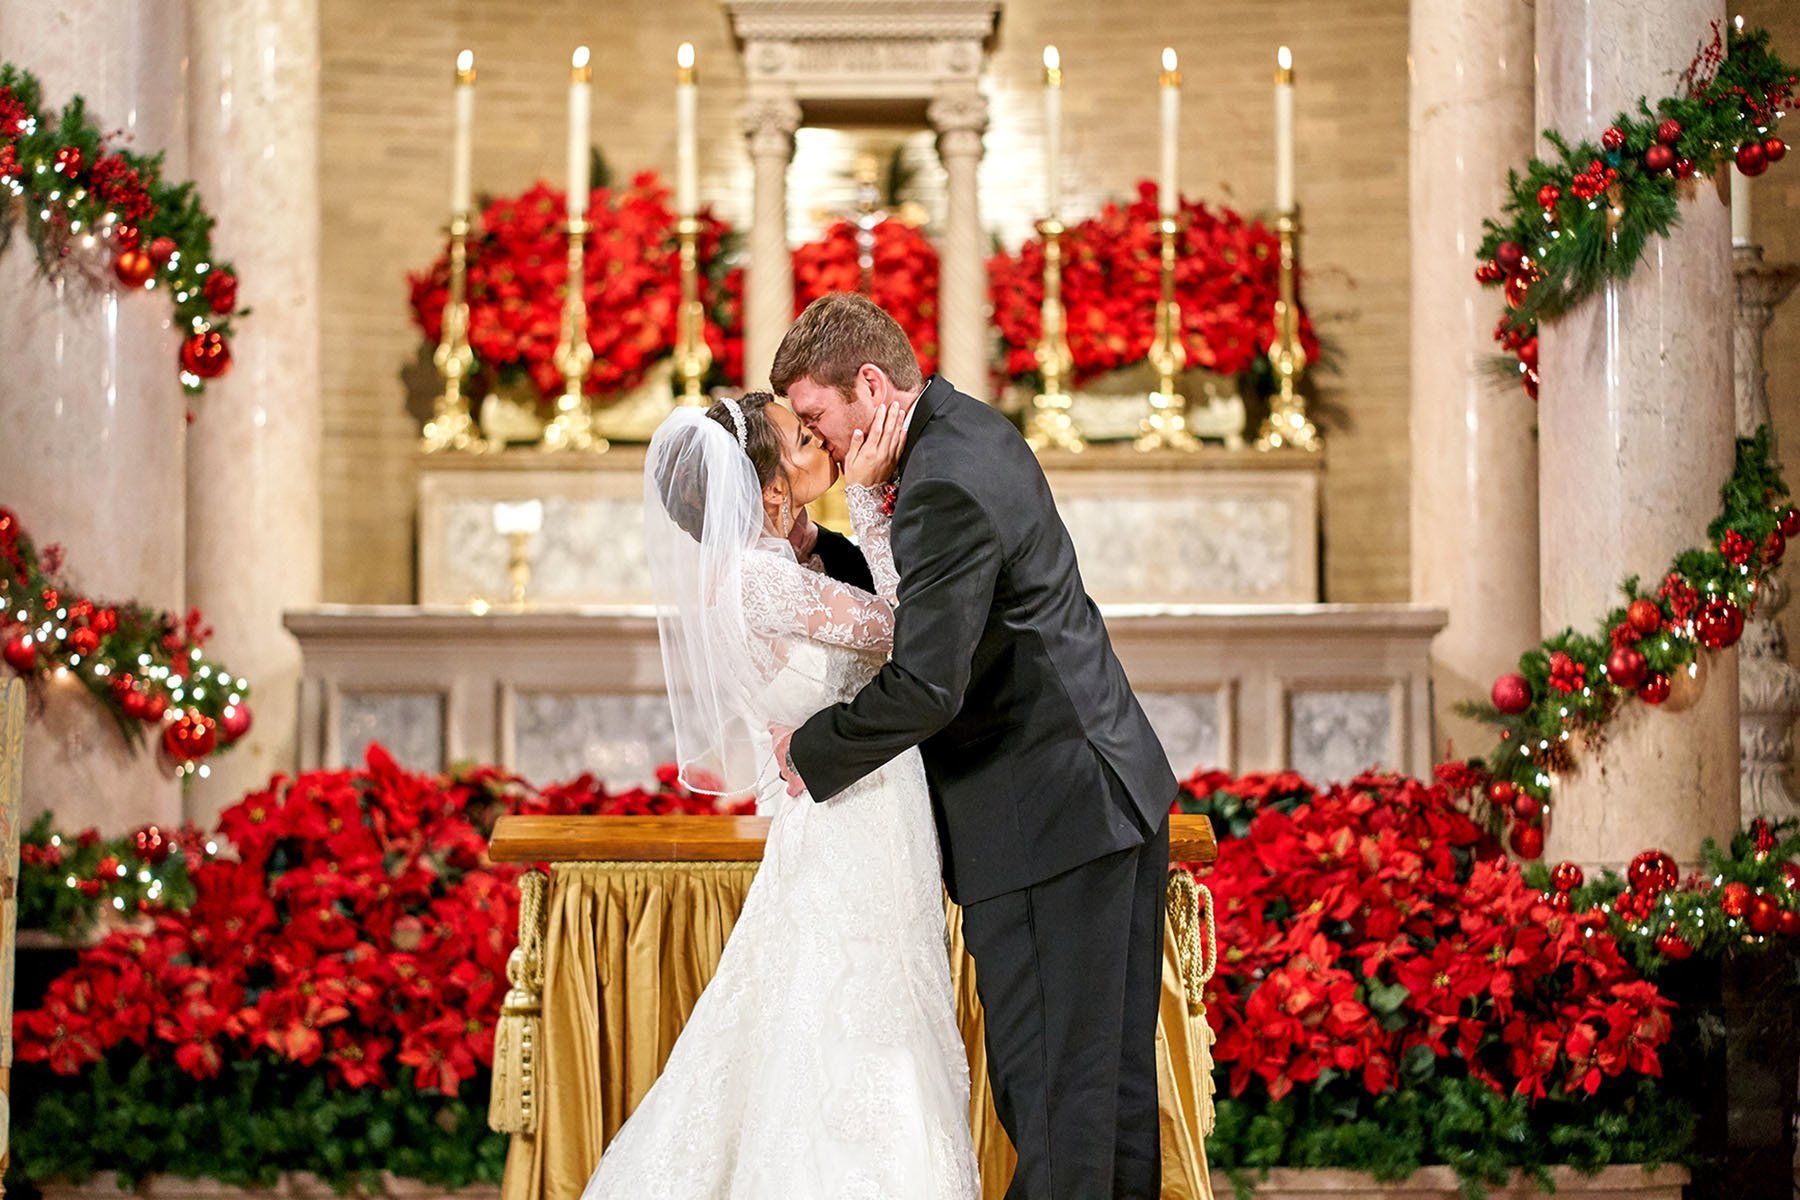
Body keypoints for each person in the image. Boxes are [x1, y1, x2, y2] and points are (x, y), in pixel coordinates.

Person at [774, 293, 1178, 1200]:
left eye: (816, 420)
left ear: (869, 385)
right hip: (1105, 797)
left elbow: (926, 683)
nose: (818, 445)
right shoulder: (971, 429)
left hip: (1046, 822)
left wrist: (810, 750)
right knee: (1105, 1105)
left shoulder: (939, 482)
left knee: (1052, 1106)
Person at [579, 390, 979, 1200]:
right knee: (861, 1030)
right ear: (767, 488)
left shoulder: (770, 568)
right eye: (803, 438)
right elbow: (913, 629)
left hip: (856, 808)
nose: (823, 444)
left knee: (835, 1019)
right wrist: (869, 495)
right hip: (855, 818)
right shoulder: (761, 582)